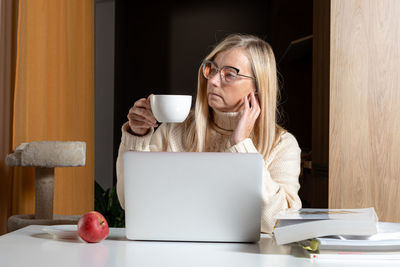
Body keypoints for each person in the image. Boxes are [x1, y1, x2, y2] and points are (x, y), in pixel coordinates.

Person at [116, 33, 302, 233]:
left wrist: (241, 145)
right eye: (212, 69)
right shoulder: (174, 130)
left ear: (257, 88)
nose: (212, 80)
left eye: (229, 74)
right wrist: (136, 137)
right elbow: (130, 202)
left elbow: (279, 222)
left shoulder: (282, 144)